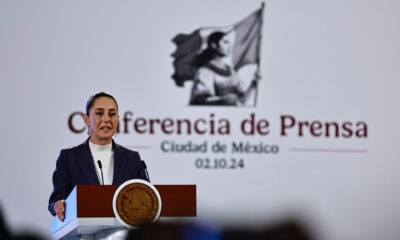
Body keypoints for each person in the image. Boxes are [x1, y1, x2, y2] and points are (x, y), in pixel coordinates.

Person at [48, 92, 148, 221]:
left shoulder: (132, 159)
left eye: (112, 114)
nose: (106, 119)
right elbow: (56, 200)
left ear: (117, 119)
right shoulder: (69, 158)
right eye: (99, 113)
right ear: (87, 120)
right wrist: (57, 206)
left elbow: (146, 199)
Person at [189, 31, 259, 106]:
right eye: (225, 42)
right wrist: (224, 100)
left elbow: (242, 100)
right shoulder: (204, 71)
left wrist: (254, 84)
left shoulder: (231, 71)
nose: (229, 46)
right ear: (214, 45)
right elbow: (200, 100)